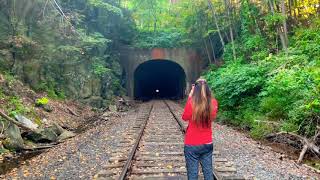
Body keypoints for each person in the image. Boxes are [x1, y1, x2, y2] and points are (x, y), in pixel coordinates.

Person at [182, 79, 218, 180]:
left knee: (193, 173)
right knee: (208, 171)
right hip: (207, 143)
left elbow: (185, 117)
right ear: (207, 89)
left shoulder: (191, 102)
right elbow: (213, 117)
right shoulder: (213, 102)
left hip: (192, 143)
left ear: (195, 90)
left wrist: (190, 97)